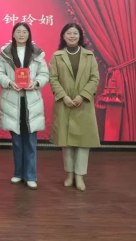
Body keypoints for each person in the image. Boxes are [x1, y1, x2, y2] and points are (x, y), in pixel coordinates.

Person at [0, 22, 49, 190]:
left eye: (24, 32)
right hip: (13, 100)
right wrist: (9, 82)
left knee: (31, 141)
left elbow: (44, 74)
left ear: (29, 34)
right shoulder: (5, 53)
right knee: (17, 141)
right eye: (18, 31)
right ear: (13, 34)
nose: (21, 34)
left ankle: (31, 176)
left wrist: (37, 82)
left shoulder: (36, 53)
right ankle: (18, 173)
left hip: (31, 101)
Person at [49, 23, 100, 191]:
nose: (72, 36)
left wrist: (82, 95)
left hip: (83, 104)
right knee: (67, 142)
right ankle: (69, 174)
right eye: (69, 33)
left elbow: (94, 78)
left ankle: (80, 176)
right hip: (64, 103)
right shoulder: (57, 56)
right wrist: (64, 96)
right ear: (63, 36)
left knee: (83, 143)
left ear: (80, 36)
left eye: (75, 33)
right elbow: (53, 78)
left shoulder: (89, 56)